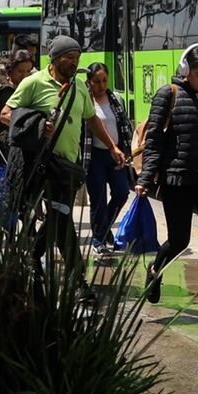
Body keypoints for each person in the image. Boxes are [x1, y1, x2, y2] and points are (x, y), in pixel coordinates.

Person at [2, 35, 125, 301]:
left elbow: (92, 119)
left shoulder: (80, 87)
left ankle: (33, 256)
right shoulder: (33, 83)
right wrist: (38, 124)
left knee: (58, 217)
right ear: (55, 59)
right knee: (63, 219)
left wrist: (112, 146)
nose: (74, 63)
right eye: (69, 58)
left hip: (67, 166)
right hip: (39, 163)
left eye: (77, 58)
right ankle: (78, 280)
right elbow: (6, 114)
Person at [136, 44, 198, 325]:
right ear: (184, 70)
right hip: (177, 180)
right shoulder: (167, 95)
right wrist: (145, 179)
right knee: (179, 240)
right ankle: (156, 269)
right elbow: (154, 141)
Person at [82, 62, 134, 256]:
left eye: (104, 80)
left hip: (116, 155)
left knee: (121, 193)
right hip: (94, 155)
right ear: (89, 82)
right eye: (97, 81)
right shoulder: (85, 101)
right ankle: (98, 239)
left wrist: (125, 150)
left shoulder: (116, 99)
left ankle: (103, 229)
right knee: (98, 199)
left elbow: (124, 124)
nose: (101, 85)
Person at [0, 49, 35, 160]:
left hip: (31, 146)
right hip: (5, 147)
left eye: (28, 71)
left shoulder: (35, 88)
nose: (25, 76)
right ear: (10, 70)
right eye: (20, 71)